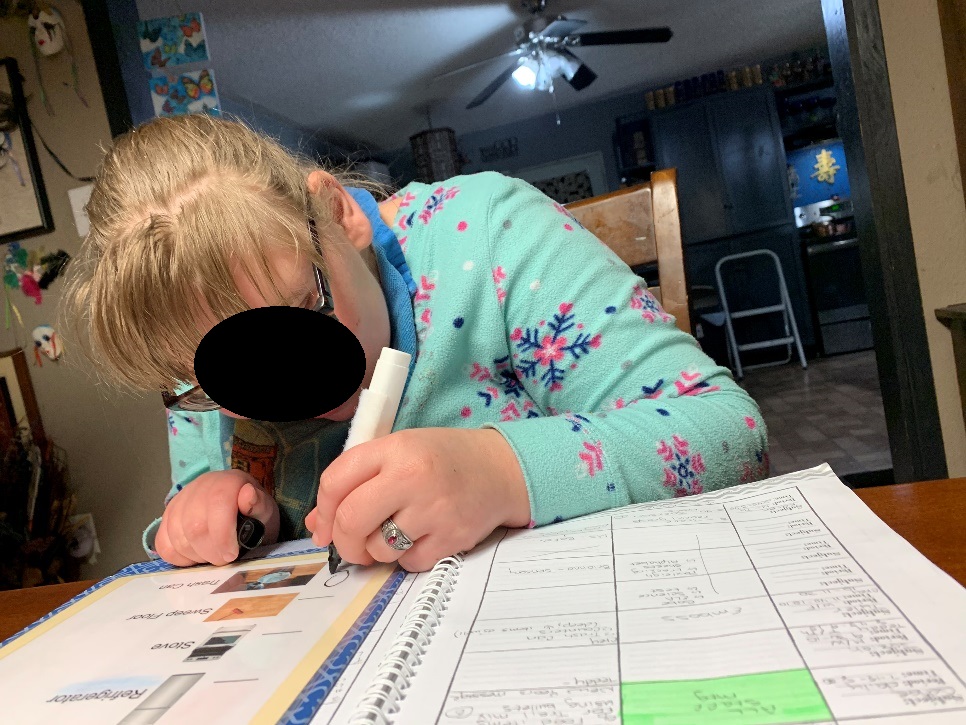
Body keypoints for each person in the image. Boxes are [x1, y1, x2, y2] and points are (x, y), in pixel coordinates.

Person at [64, 114, 769, 573]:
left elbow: (729, 430)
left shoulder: (489, 235)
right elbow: (192, 506)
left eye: (302, 314)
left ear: (338, 213)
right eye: (230, 376)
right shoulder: (191, 370)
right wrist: (204, 515)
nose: (305, 385)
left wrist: (502, 471)